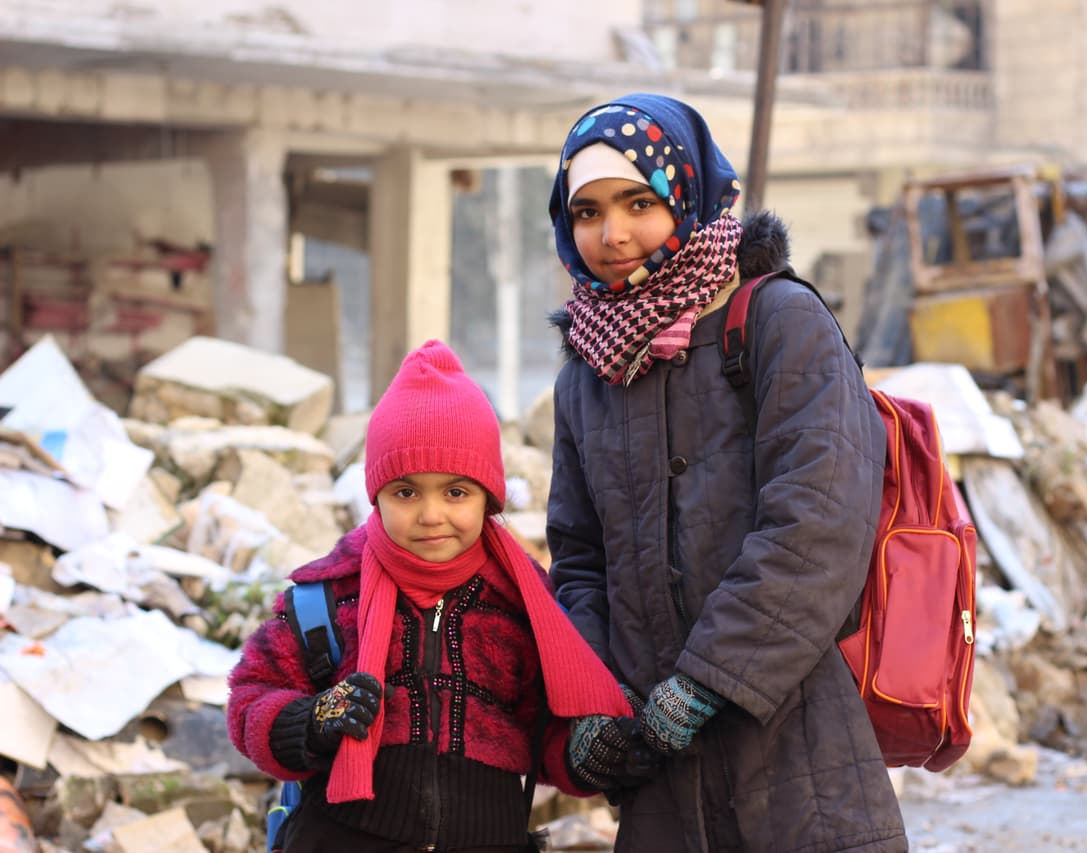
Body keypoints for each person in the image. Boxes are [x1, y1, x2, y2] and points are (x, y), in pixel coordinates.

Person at [545, 93, 908, 852]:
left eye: (638, 202)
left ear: (687, 195)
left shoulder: (779, 321)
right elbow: (579, 559)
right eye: (587, 211)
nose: (611, 234)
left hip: (800, 768)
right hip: (662, 790)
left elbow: (819, 524)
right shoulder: (588, 369)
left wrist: (709, 679)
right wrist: (592, 706)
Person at [227, 340, 651, 853]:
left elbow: (546, 730)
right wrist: (314, 719)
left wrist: (589, 753)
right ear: (376, 493)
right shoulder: (327, 599)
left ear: (488, 498)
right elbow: (250, 698)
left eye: (456, 492)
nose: (431, 515)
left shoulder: (524, 607)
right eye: (406, 492)